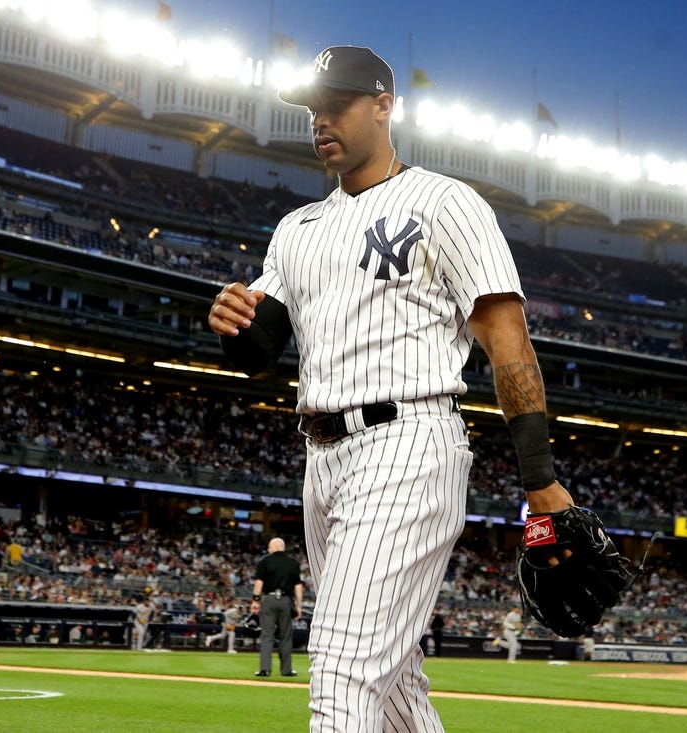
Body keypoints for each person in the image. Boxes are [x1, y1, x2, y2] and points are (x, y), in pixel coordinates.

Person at [208, 44, 575, 732]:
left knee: (342, 667)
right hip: (323, 459)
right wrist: (231, 321)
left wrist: (540, 479)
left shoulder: (444, 202)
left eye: (337, 104)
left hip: (410, 442)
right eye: (313, 109)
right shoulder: (296, 231)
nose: (320, 121)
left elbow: (506, 339)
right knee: (395, 681)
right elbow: (260, 351)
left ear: (384, 105)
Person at [250, 537, 303, 677]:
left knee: (267, 635)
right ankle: (286, 670)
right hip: (286, 600)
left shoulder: (264, 561)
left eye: (269, 547)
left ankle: (265, 669)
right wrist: (299, 605)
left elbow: (259, 583)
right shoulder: (293, 563)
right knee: (285, 636)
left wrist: (255, 601)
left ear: (275, 547)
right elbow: (298, 586)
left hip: (268, 599)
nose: (268, 550)